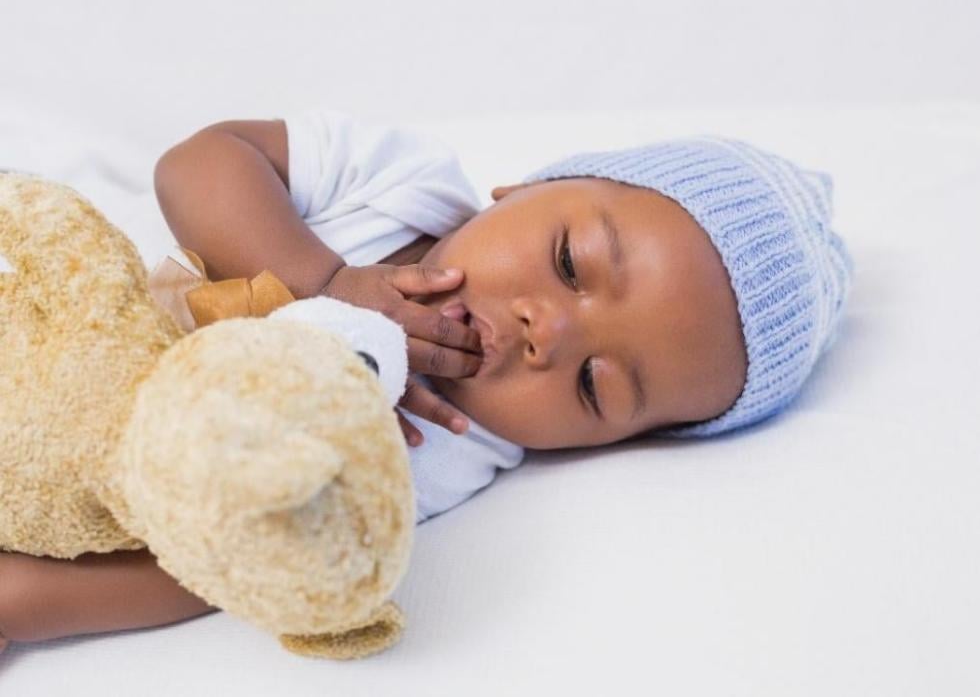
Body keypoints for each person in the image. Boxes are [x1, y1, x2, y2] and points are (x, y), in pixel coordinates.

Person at [0, 108, 853, 651]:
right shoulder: (406, 185)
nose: (548, 332)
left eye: (595, 386)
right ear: (525, 188)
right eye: (568, 261)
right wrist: (324, 280)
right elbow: (196, 163)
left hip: (83, 472)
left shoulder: (445, 450)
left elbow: (218, 561)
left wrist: (31, 601)